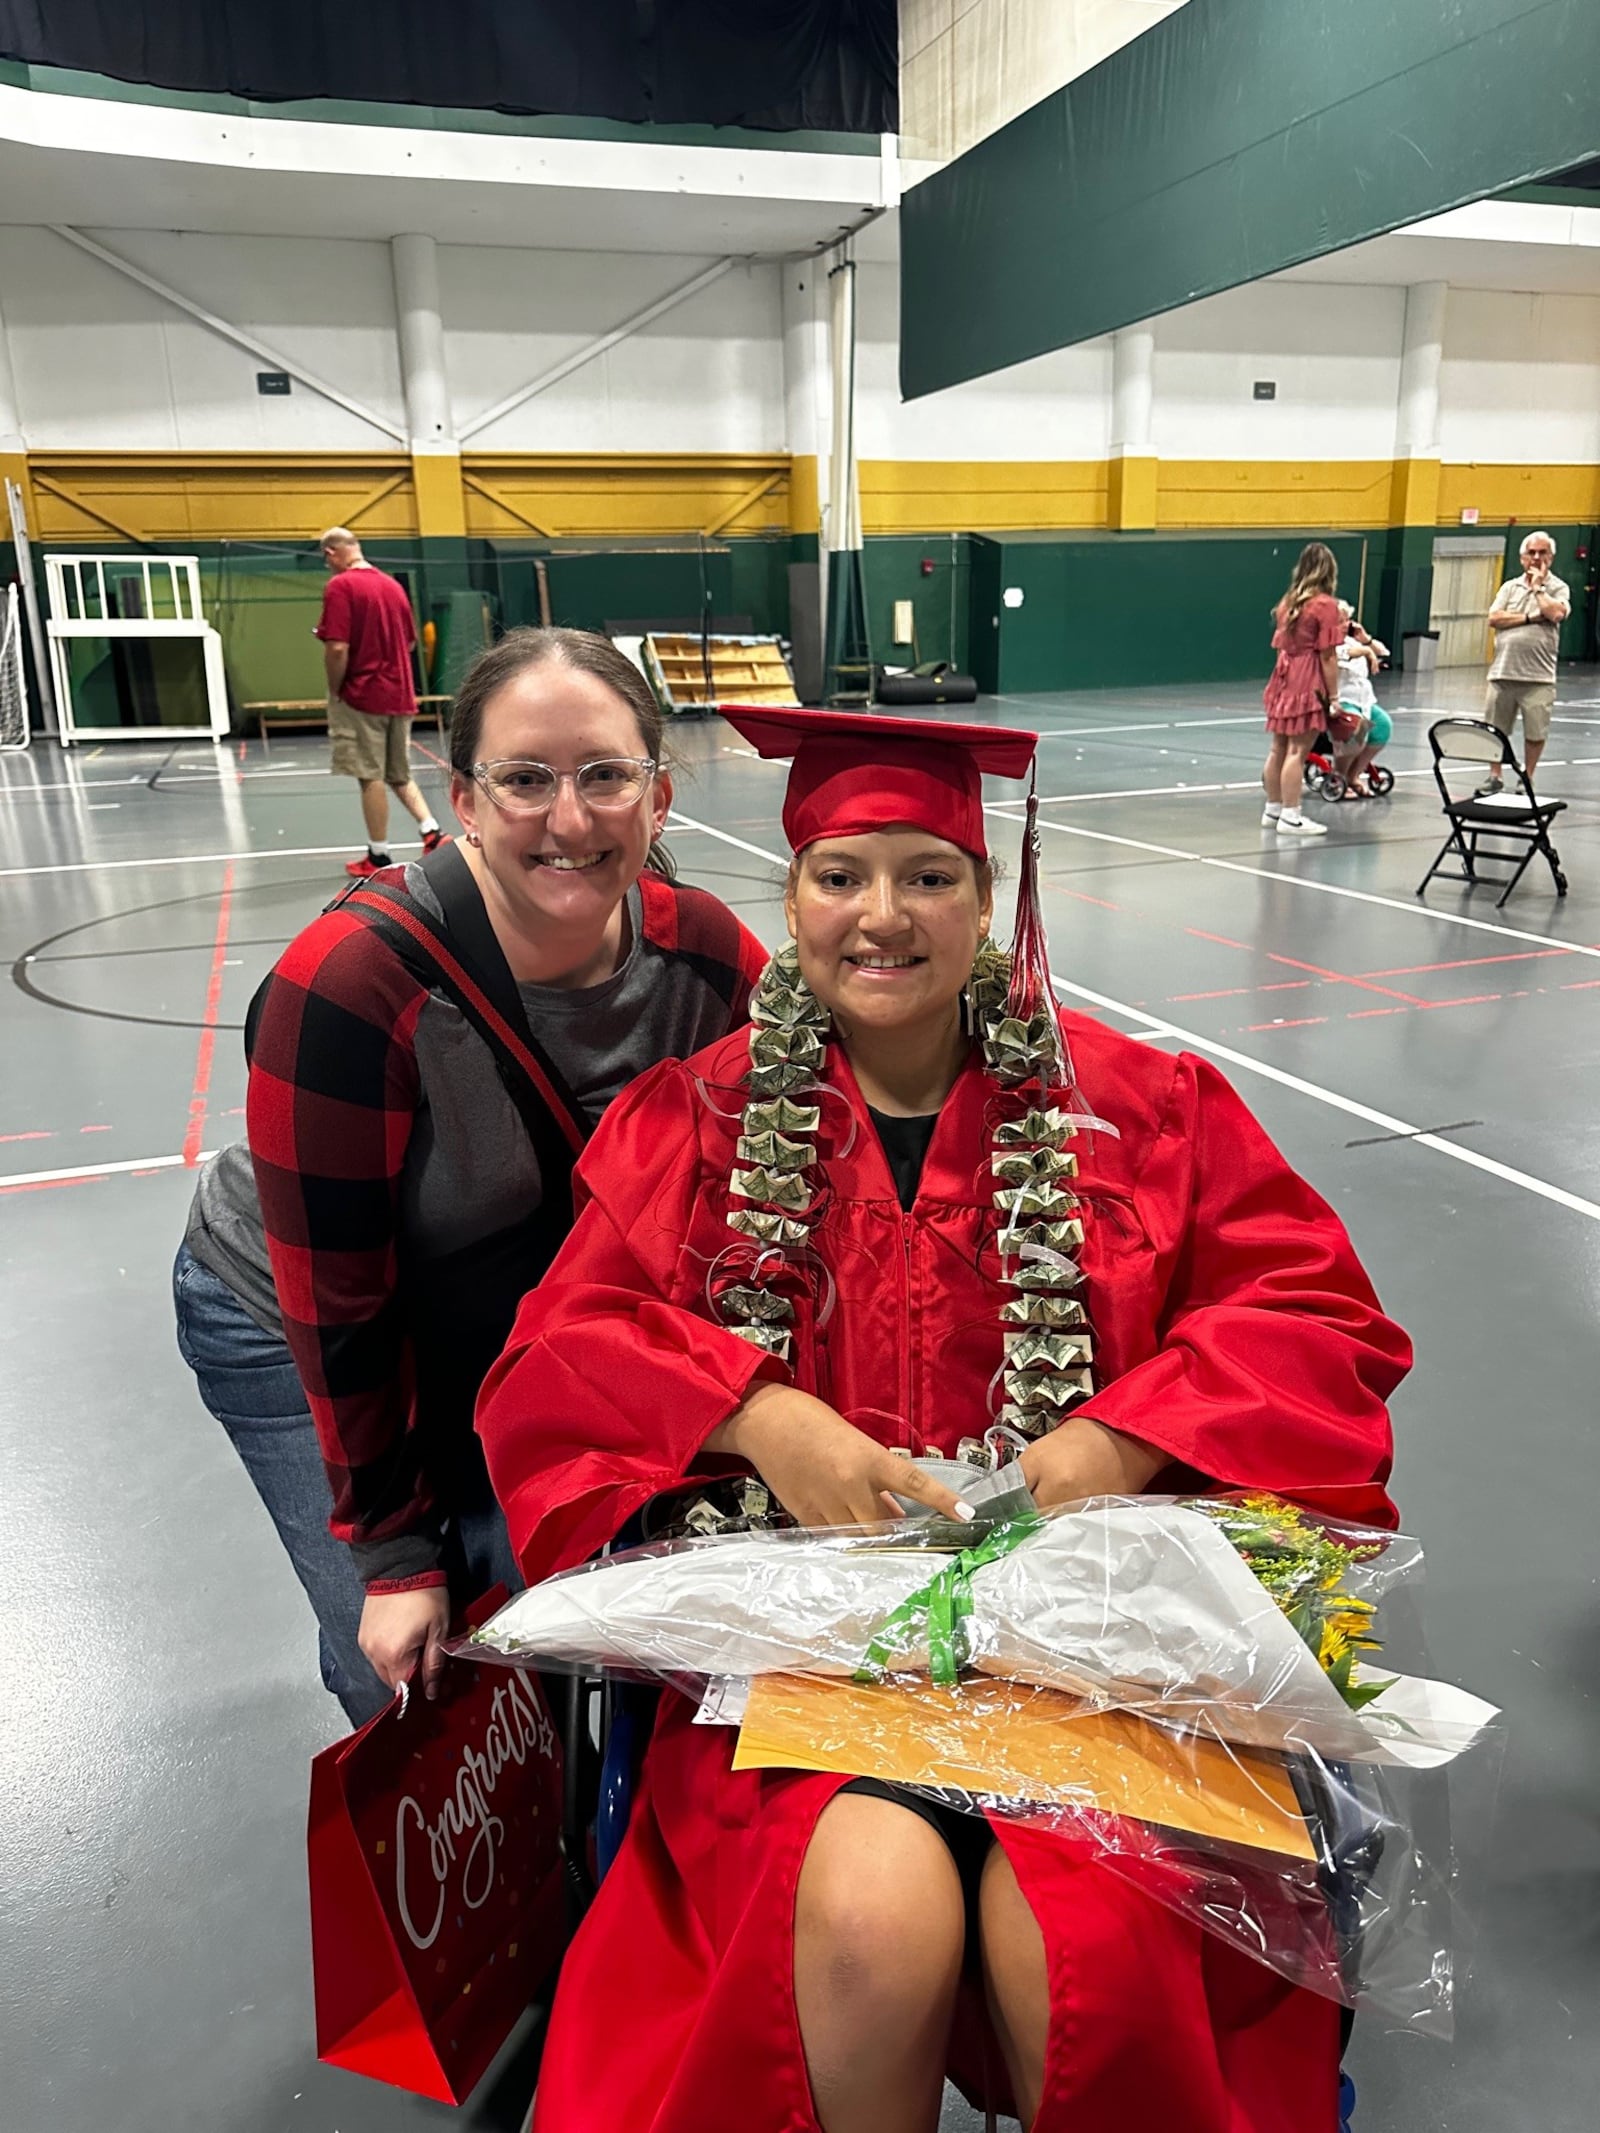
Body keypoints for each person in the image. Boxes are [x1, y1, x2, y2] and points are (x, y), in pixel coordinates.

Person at [478, 705, 1411, 2133]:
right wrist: (755, 1417)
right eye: (840, 875)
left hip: (1099, 1655)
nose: (882, 917)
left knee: (1089, 1933)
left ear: (993, 902)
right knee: (862, 1915)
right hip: (802, 1659)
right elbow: (564, 1350)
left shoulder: (1143, 1108)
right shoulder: (697, 1124)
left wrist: (1124, 1437)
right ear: (787, 899)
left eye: (930, 876)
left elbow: (1314, 1315)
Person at [174, 628, 768, 1723]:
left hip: (501, 1297)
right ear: (464, 800)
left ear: (660, 793)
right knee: (413, 1664)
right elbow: (338, 1303)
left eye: (604, 776)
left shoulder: (707, 958)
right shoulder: (352, 987)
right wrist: (397, 1554)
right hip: (294, 1320)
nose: (571, 818)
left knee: (541, 1600)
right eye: (526, 780)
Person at [315, 525, 444, 878]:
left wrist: (337, 687)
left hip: (362, 695)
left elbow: (337, 647)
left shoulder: (341, 586)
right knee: (398, 772)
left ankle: (378, 854)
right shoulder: (393, 586)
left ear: (331, 553)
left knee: (369, 775)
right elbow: (410, 643)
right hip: (399, 694)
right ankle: (431, 830)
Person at [1261, 541, 1342, 837]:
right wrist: (1333, 697)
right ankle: (1291, 816)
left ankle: (1273, 808)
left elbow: (1280, 646)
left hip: (1284, 676)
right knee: (1298, 750)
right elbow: (1327, 655)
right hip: (1307, 678)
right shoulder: (1325, 606)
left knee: (1278, 748)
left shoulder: (1288, 603)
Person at [1480, 530, 1571, 794]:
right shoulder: (1509, 587)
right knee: (1496, 729)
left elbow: (1554, 613)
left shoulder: (1559, 588)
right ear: (1522, 558)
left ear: (1551, 558)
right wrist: (1530, 618)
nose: (1536, 557)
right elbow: (1494, 618)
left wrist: (1539, 588)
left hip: (1538, 677)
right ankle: (1495, 776)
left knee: (1535, 730)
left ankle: (1527, 776)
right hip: (1502, 673)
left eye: (1542, 553)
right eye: (1531, 553)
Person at [1331, 602, 1392, 796]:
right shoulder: (1328, 646)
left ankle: (1353, 775)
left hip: (1365, 700)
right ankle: (1338, 775)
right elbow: (1344, 655)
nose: (1345, 625)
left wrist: (1366, 640)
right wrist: (1366, 652)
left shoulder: (1353, 642)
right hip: (1342, 700)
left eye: (1347, 620)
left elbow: (1383, 652)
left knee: (1382, 726)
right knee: (1357, 732)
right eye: (1340, 621)